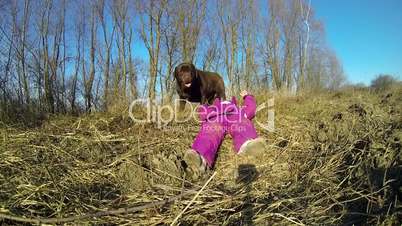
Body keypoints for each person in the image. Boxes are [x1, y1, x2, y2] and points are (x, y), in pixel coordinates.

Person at [184, 90, 266, 177]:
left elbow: (251, 109)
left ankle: (248, 146)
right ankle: (200, 158)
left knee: (242, 124)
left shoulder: (238, 109)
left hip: (234, 115)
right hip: (216, 117)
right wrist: (205, 102)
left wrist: (247, 96)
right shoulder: (213, 108)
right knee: (210, 131)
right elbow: (202, 113)